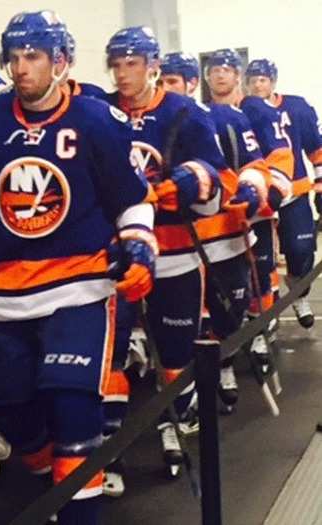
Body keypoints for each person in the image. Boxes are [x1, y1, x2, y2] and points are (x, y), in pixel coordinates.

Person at [0, 10, 156, 524]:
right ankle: (51, 481)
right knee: (12, 409)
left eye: (31, 57)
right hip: (3, 294)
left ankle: (79, 513)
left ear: (61, 61)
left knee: (73, 406)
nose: (20, 69)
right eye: (13, 58)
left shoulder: (97, 121)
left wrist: (139, 245)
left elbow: (132, 200)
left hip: (78, 288)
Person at [101, 26, 237, 468]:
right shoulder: (100, 112)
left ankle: (174, 416)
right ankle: (110, 445)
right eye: (116, 65)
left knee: (175, 353)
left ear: (154, 66)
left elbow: (219, 182)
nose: (122, 74)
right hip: (117, 257)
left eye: (132, 64)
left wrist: (195, 182)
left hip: (176, 253)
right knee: (112, 354)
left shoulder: (185, 113)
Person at [204, 49, 293, 401]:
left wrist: (271, 191)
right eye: (215, 70)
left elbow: (278, 155)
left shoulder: (254, 109)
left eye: (227, 70)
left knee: (261, 277)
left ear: (237, 75)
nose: (221, 76)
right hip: (219, 219)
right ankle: (224, 355)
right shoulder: (200, 113)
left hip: (255, 211)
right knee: (222, 295)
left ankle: (257, 333)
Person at [246, 58, 322, 330]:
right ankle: (268, 313)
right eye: (253, 80)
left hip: (295, 191)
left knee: (301, 249)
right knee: (261, 260)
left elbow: (316, 148)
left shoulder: (297, 107)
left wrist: (320, 186)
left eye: (263, 80)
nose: (257, 85)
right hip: (261, 197)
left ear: (273, 81)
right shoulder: (244, 111)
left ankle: (299, 292)